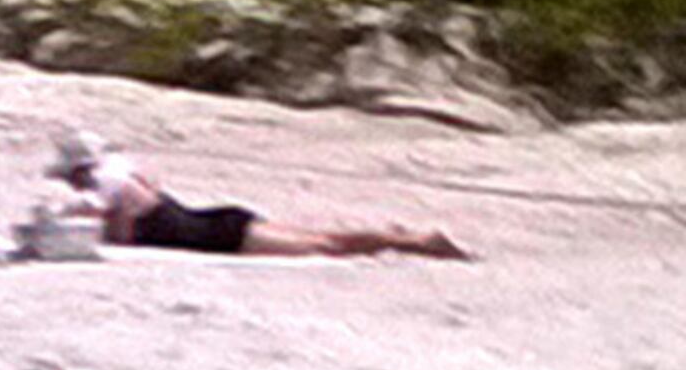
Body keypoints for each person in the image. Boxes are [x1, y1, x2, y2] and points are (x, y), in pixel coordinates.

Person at [46, 130, 470, 259]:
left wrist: (59, 218)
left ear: (80, 171)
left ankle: (415, 242)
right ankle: (391, 234)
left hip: (220, 236)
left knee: (326, 246)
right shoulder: (123, 172)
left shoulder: (104, 183)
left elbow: (92, 209)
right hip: (218, 221)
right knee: (325, 238)